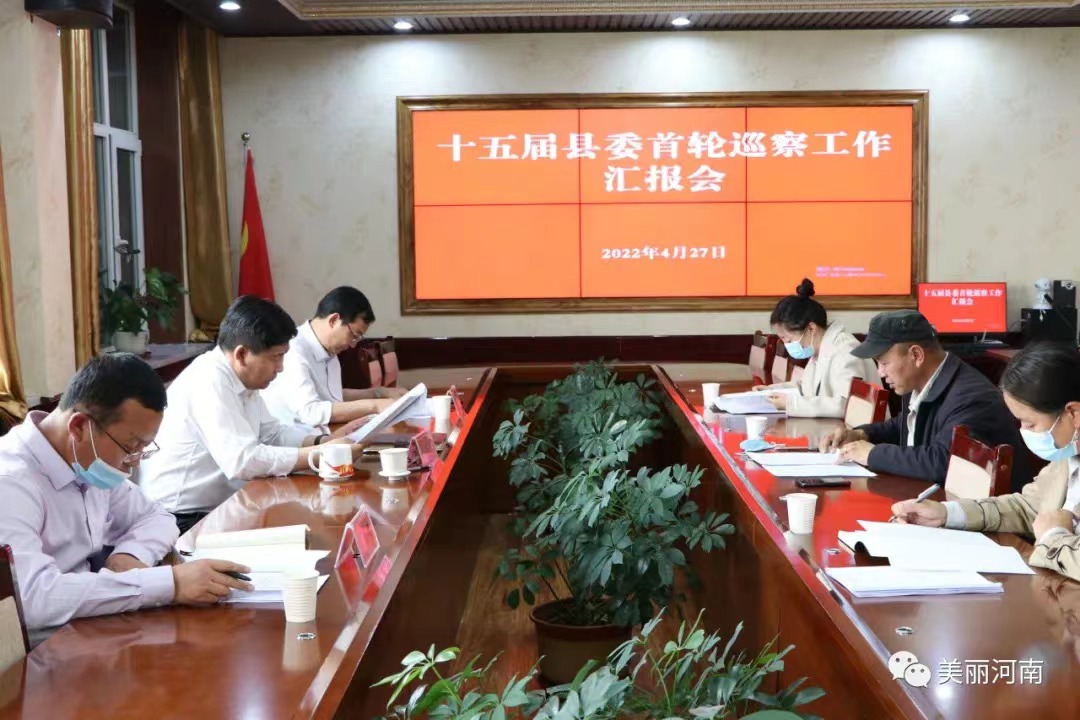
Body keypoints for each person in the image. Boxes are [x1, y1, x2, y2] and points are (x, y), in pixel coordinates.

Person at [0, 353, 253, 633]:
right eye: (131, 446)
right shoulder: (11, 482)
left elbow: (157, 517)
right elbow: (33, 599)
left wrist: (131, 555)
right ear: (79, 427)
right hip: (40, 645)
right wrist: (171, 583)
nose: (133, 463)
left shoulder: (85, 461)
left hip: (89, 624)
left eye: (143, 448)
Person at [139, 296, 366, 533]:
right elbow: (243, 461)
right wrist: (322, 455)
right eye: (276, 357)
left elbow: (271, 433)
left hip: (224, 506)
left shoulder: (242, 378)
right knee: (303, 534)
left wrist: (324, 441)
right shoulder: (209, 380)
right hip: (183, 519)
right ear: (242, 354)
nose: (280, 368)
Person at [890, 342, 1079, 579]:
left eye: (1030, 424)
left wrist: (1053, 537)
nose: (1023, 431)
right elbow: (1027, 506)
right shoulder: (1067, 453)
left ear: (1073, 413)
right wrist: (947, 513)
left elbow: (1051, 531)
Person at [820, 309, 1030, 489]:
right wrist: (862, 434)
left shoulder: (972, 398)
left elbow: (944, 461)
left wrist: (873, 454)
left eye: (884, 363)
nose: (880, 373)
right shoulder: (919, 381)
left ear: (916, 355)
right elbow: (905, 424)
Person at [263, 286, 405, 432]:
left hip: (326, 435)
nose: (352, 344)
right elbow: (311, 412)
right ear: (334, 320)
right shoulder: (294, 351)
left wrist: (379, 393)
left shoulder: (328, 349)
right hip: (298, 440)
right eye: (354, 335)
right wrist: (375, 406)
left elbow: (331, 396)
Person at [753, 278, 879, 418]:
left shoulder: (845, 350)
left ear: (811, 328)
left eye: (788, 340)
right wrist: (771, 391)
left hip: (861, 429)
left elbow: (846, 404)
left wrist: (790, 404)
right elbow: (806, 388)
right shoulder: (819, 349)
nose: (788, 345)